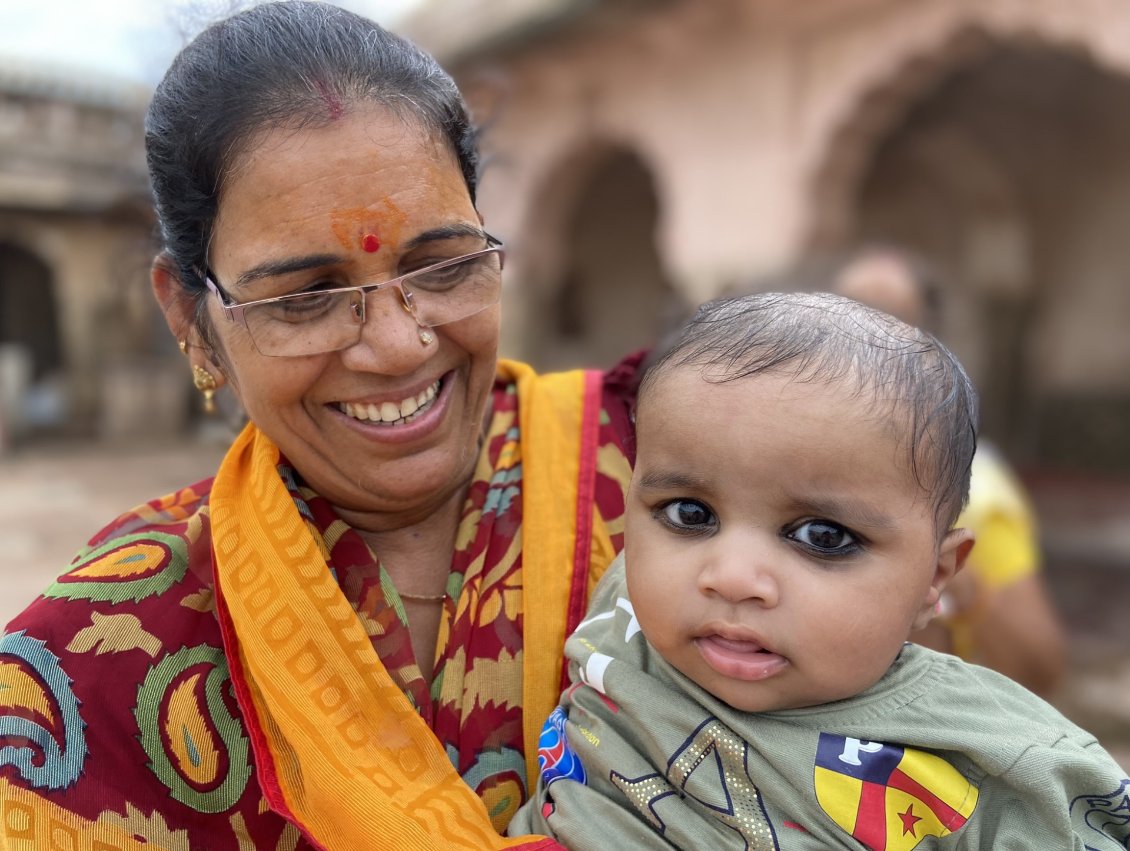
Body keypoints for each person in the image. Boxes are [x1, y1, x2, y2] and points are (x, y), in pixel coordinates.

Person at [0, 4, 640, 849]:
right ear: (190, 315)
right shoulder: (93, 659)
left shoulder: (669, 471)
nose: (399, 343)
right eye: (306, 296)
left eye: (442, 265)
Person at [508, 292, 1128, 849]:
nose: (732, 577)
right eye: (689, 513)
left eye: (823, 537)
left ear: (934, 578)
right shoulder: (620, 607)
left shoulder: (993, 759)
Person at [832, 245, 1066, 696]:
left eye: (887, 313)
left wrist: (964, 594)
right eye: (849, 309)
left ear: (927, 338)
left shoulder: (976, 490)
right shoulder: (784, 460)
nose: (862, 330)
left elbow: (1043, 670)